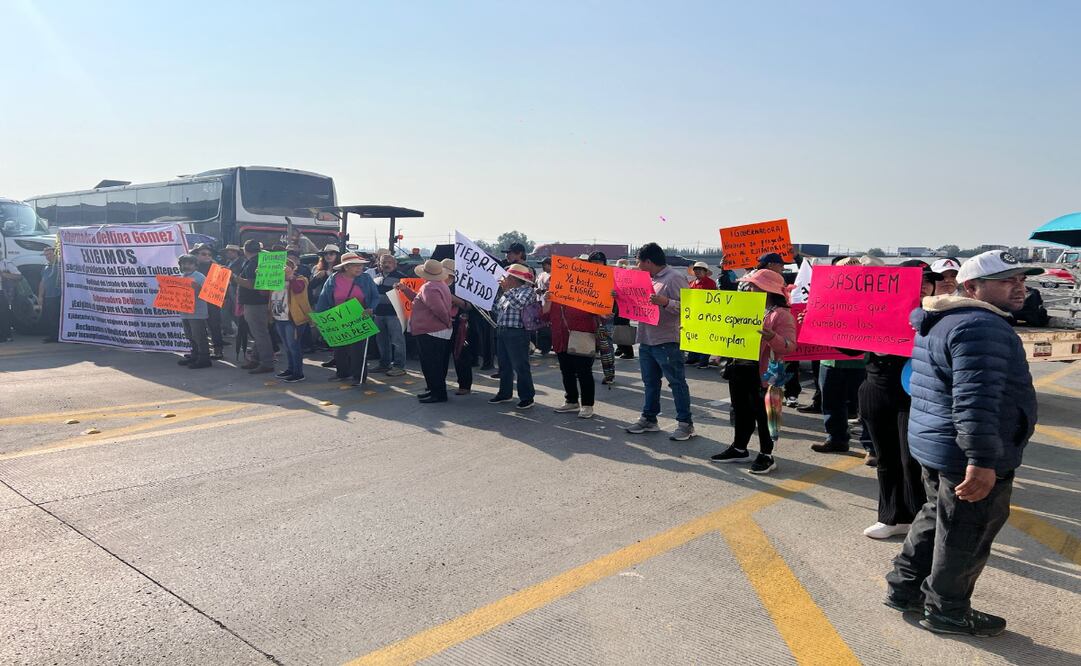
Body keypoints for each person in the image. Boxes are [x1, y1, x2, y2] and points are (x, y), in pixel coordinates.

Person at [886, 250, 1042, 637]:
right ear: (971, 287)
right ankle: (947, 611)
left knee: (936, 516)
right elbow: (976, 400)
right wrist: (981, 459)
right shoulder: (981, 325)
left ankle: (904, 588)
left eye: (1022, 279)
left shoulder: (943, 318)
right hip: (964, 451)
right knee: (967, 532)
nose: (1019, 287)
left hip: (937, 443)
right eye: (1008, 280)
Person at [859, 261, 940, 539]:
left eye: (927, 282)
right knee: (886, 457)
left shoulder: (939, 315)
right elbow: (845, 345)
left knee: (912, 461)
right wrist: (819, 320)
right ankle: (891, 517)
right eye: (916, 281)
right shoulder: (875, 309)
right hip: (876, 388)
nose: (923, 287)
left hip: (915, 392)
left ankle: (923, 521)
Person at [710, 269, 796, 474]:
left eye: (753, 285)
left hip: (763, 374)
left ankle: (767, 454)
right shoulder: (743, 310)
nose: (747, 288)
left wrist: (771, 336)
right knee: (740, 411)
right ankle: (739, 448)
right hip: (739, 368)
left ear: (767, 290)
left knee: (764, 416)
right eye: (748, 285)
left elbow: (789, 346)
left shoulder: (781, 315)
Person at [624, 243, 695, 441]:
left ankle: (685, 424)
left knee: (677, 383)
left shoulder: (674, 278)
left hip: (667, 340)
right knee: (650, 383)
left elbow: (690, 308)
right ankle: (649, 419)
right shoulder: (648, 279)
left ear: (648, 261)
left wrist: (666, 302)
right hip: (646, 339)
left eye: (638, 262)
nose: (637, 266)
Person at [315, 252, 379, 386]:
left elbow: (375, 297)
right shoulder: (333, 279)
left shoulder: (366, 279)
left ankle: (359, 377)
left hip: (360, 317)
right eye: (355, 265)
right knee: (339, 348)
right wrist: (319, 317)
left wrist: (371, 308)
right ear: (346, 267)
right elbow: (323, 298)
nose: (359, 268)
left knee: (358, 350)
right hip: (339, 317)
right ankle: (342, 373)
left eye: (361, 265)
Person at [397, 259, 454, 403]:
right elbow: (419, 299)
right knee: (435, 363)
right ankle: (435, 391)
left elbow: (438, 309)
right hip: (435, 329)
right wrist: (405, 290)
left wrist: (447, 322)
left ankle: (437, 393)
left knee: (431, 364)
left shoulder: (429, 287)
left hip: (431, 330)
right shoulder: (439, 285)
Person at [488, 264, 537, 410]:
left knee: (520, 365)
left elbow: (519, 304)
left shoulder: (527, 291)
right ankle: (505, 393)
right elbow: (498, 308)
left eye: (508, 276)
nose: (505, 279)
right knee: (504, 365)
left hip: (518, 332)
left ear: (515, 278)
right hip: (503, 330)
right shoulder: (508, 291)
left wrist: (507, 292)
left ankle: (527, 397)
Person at [542, 290, 598, 419]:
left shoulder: (584, 293)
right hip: (561, 339)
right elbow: (544, 317)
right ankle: (571, 401)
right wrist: (548, 301)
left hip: (580, 338)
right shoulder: (554, 296)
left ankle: (587, 405)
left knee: (584, 373)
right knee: (566, 372)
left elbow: (601, 315)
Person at [231, 239, 276, 374]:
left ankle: (267, 363)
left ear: (245, 250)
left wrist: (233, 277)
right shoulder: (260, 260)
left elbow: (251, 284)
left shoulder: (253, 263)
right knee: (259, 332)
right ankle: (256, 359)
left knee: (260, 333)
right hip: (259, 302)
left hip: (254, 303)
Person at [269, 259, 311, 382]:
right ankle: (291, 369)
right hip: (279, 317)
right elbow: (263, 293)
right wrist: (262, 276)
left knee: (294, 346)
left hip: (293, 319)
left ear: (294, 268)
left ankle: (298, 373)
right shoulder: (275, 280)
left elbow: (298, 290)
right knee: (287, 346)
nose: (284, 269)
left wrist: (290, 277)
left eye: (287, 266)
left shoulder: (301, 279)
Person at [367, 253, 408, 376]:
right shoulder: (376, 277)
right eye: (384, 262)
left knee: (397, 341)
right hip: (378, 314)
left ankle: (399, 366)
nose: (386, 264)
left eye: (390, 262)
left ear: (395, 264)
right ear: (379, 264)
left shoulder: (402, 278)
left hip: (394, 314)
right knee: (381, 341)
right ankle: (384, 364)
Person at [442, 259, 475, 396]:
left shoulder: (462, 286)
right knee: (441, 356)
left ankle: (465, 385)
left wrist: (453, 299)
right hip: (441, 323)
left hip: (460, 324)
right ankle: (438, 383)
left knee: (461, 355)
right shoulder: (438, 284)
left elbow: (470, 306)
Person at [176, 254, 211, 369]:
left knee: (199, 336)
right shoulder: (181, 276)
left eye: (190, 264)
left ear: (196, 265)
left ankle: (204, 359)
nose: (186, 266)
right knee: (190, 335)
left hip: (197, 313)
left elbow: (208, 294)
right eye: (184, 264)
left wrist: (197, 288)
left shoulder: (199, 277)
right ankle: (194, 355)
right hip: (185, 312)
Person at [192, 243, 225, 359]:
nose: (207, 256)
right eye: (204, 254)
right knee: (198, 328)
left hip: (212, 302)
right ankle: (201, 351)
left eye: (209, 254)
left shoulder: (217, 268)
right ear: (196, 255)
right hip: (196, 302)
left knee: (214, 326)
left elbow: (221, 287)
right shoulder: (192, 267)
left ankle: (218, 350)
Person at [685, 261, 717, 369]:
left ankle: (703, 361)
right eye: (695, 269)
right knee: (693, 337)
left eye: (700, 269)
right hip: (693, 315)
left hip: (707, 316)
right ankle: (692, 358)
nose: (697, 271)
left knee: (705, 338)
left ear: (705, 272)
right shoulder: (691, 284)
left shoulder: (710, 283)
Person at [36, 246, 62, 343]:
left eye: (50, 254)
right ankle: (53, 336)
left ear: (55, 254)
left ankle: (60, 336)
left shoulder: (60, 266)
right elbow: (42, 282)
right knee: (50, 317)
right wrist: (40, 296)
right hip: (49, 296)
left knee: (58, 316)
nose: (48, 256)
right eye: (46, 255)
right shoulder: (45, 267)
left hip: (59, 295)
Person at [612, 258, 635, 360]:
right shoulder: (616, 276)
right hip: (616, 305)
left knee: (622, 327)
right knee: (617, 326)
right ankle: (620, 347)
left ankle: (627, 350)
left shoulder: (630, 278)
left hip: (624, 306)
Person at [533, 256, 553, 356]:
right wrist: (536, 290)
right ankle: (542, 345)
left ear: (550, 265)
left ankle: (547, 346)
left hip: (549, 303)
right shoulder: (541, 274)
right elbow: (535, 285)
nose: (542, 266)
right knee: (541, 325)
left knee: (547, 326)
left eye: (544, 264)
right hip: (539, 302)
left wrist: (544, 291)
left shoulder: (554, 275)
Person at [0, 256, 21, 341]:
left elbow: (19, 276)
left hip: (2, 292)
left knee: (3, 314)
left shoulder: (6, 263)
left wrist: (4, 274)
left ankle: (6, 336)